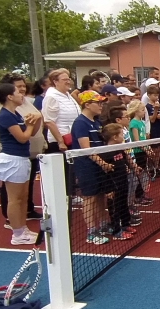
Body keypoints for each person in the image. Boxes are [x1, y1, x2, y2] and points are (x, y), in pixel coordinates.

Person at [0, 73, 46, 227]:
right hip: (12, 158)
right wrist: (28, 125)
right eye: (17, 91)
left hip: (23, 158)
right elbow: (22, 137)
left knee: (22, 197)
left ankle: (22, 227)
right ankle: (16, 230)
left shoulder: (15, 113)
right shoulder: (5, 115)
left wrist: (38, 118)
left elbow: (32, 132)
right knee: (14, 198)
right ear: (9, 96)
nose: (22, 93)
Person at [70, 90, 110, 245]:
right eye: (98, 103)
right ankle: (92, 231)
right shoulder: (80, 123)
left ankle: (103, 224)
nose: (101, 105)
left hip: (99, 166)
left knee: (100, 195)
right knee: (90, 198)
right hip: (86, 166)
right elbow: (86, 149)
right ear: (87, 104)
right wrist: (102, 163)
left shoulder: (97, 122)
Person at [100, 123, 136, 241]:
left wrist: (132, 167)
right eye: (121, 134)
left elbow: (124, 161)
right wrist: (108, 189)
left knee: (123, 204)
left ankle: (125, 224)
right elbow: (104, 174)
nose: (123, 136)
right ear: (115, 137)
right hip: (113, 184)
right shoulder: (105, 152)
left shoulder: (119, 148)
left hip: (123, 181)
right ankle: (117, 231)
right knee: (114, 209)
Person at [42, 68, 81, 154]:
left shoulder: (67, 95)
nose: (68, 82)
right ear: (55, 82)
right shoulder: (51, 97)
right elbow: (49, 121)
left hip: (71, 138)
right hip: (60, 142)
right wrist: (60, 142)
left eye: (68, 79)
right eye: (64, 80)